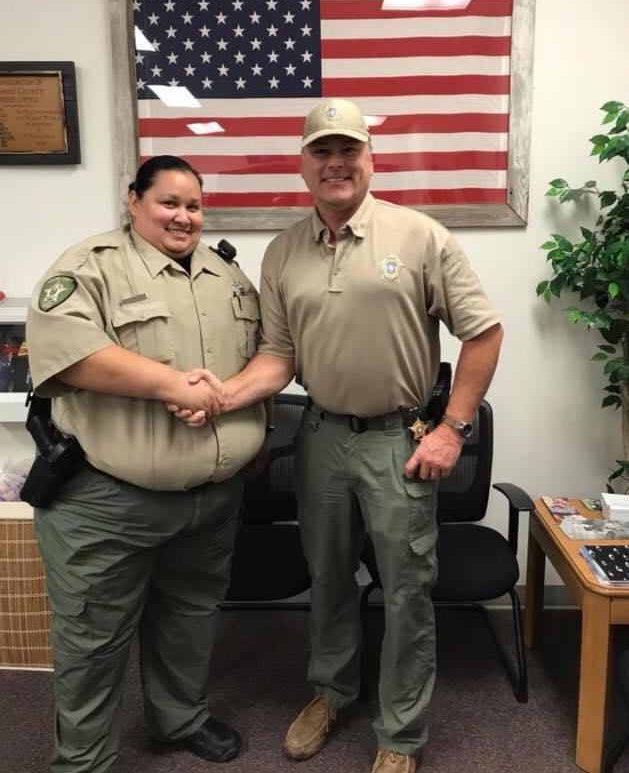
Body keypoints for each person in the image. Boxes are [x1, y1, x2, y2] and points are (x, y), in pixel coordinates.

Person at [177, 98, 504, 773]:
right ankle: (330, 692)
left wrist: (452, 428)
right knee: (326, 576)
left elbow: (484, 331)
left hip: (399, 439)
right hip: (322, 435)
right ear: (302, 163)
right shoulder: (284, 250)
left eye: (347, 150)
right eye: (321, 151)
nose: (335, 163)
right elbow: (277, 355)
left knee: (406, 585)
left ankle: (401, 733)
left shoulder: (418, 236)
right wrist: (223, 395)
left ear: (368, 159)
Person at [25, 155, 264, 773]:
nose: (183, 216)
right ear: (134, 201)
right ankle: (83, 761)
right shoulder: (89, 268)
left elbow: (258, 360)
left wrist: (217, 395)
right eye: (168, 202)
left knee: (189, 619)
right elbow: (71, 358)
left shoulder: (228, 278)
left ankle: (178, 722)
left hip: (211, 499)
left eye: (193, 205)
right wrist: (170, 386)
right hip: (109, 501)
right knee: (92, 643)